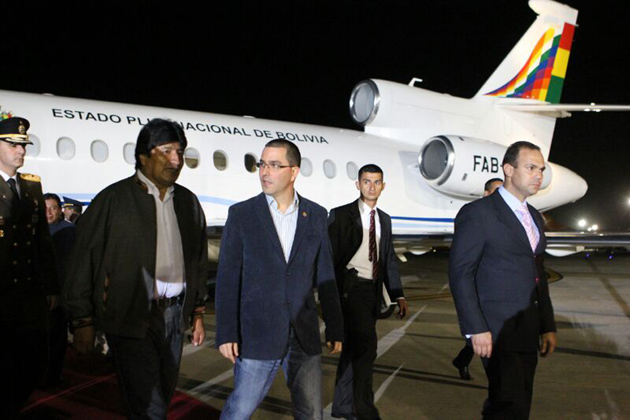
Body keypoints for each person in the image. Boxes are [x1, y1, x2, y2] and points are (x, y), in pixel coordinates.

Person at [63, 118, 208, 419]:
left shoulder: (188, 203)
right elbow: (83, 261)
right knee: (148, 403)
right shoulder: (113, 200)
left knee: (162, 394)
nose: (176, 160)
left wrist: (196, 312)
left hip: (173, 317)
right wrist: (82, 320)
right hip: (130, 316)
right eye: (166, 151)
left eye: (180, 152)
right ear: (143, 156)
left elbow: (198, 261)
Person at [215, 139, 344, 420]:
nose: (265, 172)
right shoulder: (242, 215)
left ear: (294, 171)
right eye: (262, 164)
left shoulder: (316, 215)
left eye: (274, 165)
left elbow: (325, 275)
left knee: (311, 413)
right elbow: (227, 278)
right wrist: (226, 332)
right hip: (258, 335)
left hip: (303, 335)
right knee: (239, 410)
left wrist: (335, 327)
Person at [449, 141, 557, 419]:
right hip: (495, 330)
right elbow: (461, 273)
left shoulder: (534, 216)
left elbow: (538, 275)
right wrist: (475, 328)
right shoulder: (478, 213)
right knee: (508, 404)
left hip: (527, 329)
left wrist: (547, 325)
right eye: (531, 168)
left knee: (517, 403)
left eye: (541, 170)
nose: (538, 175)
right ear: (508, 170)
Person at [328, 164, 408, 420]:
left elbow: (388, 258)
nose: (371, 187)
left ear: (383, 186)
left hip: (373, 291)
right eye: (366, 181)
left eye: (376, 182)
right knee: (367, 349)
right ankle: (364, 410)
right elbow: (330, 257)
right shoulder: (341, 215)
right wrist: (328, 297)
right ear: (358, 184)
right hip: (351, 290)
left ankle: (342, 405)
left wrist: (398, 294)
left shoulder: (384, 219)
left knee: (354, 348)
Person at [0, 117, 59, 418]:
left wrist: (50, 287)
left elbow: (41, 242)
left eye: (23, 145)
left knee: (33, 362)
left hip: (27, 294)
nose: (21, 151)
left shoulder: (32, 186)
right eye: (13, 145)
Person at [451, 177, 503, 381]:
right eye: (497, 191)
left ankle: (462, 361)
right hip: (480, 290)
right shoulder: (474, 215)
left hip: (496, 294)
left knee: (482, 340)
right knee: (481, 337)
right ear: (486, 194)